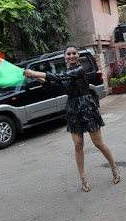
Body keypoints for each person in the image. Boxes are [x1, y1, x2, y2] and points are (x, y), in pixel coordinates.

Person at [24, 43, 120, 192]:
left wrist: (36, 73)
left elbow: (60, 77)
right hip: (73, 108)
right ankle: (83, 177)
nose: (71, 56)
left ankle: (114, 167)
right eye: (68, 54)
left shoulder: (79, 70)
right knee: (77, 145)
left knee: (98, 143)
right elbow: (53, 85)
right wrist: (35, 77)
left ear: (78, 55)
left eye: (74, 53)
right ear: (65, 56)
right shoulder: (65, 72)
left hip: (87, 106)